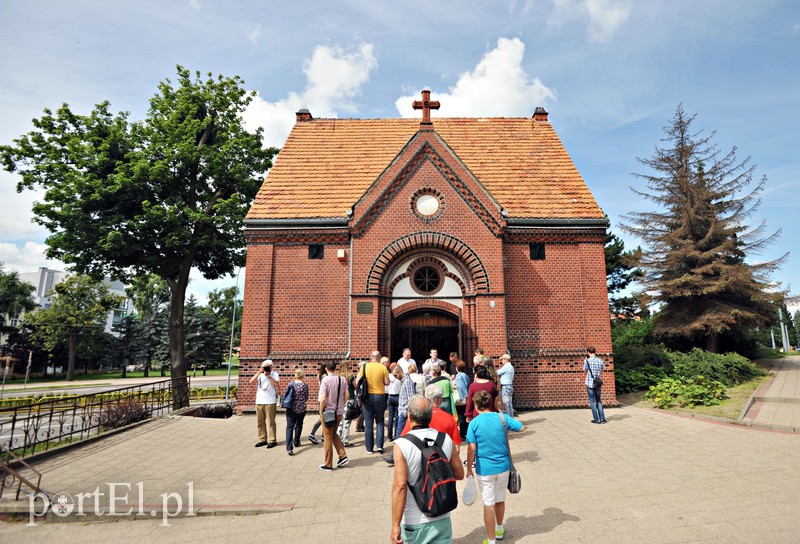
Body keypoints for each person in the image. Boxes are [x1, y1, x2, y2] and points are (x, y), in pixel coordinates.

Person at [390, 395, 465, 544]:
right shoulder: (445, 439)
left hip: (414, 521)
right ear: (430, 417)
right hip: (442, 517)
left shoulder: (401, 445)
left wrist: (395, 525)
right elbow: (459, 474)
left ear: (409, 416)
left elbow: (400, 487)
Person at [466, 390, 525, 544]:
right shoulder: (502, 418)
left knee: (488, 503)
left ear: (477, 406)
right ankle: (499, 529)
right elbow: (521, 428)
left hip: (485, 469)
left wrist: (468, 469)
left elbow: (471, 448)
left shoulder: (474, 423)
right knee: (500, 499)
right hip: (503, 466)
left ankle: (491, 540)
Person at [384, 383, 461, 466]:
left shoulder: (416, 416)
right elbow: (456, 448)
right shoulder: (450, 418)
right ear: (441, 400)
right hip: (443, 466)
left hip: (420, 464)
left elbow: (403, 439)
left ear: (425, 398)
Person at [318, 361, 349, 472]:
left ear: (326, 369)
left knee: (327, 438)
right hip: (339, 411)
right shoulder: (342, 379)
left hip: (328, 412)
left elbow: (323, 398)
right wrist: (341, 404)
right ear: (335, 368)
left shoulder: (325, 380)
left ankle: (328, 464)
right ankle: (342, 455)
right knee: (333, 433)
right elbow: (347, 395)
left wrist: (321, 411)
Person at [357, 350, 390, 454]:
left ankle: (369, 448)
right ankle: (380, 445)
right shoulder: (383, 367)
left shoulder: (364, 367)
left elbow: (358, 381)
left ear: (371, 357)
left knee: (369, 422)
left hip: (367, 397)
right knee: (380, 421)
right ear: (379, 357)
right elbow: (387, 382)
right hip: (379, 396)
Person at [249, 359, 279, 448]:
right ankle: (262, 439)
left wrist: (269, 376)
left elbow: (277, 384)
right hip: (259, 401)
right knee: (260, 422)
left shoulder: (274, 374)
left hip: (270, 401)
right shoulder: (260, 375)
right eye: (264, 367)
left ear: (271, 367)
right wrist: (259, 372)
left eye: (267, 367)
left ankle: (272, 440)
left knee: (271, 422)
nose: (265, 369)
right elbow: (251, 382)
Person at [584, 347, 607, 424]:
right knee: (599, 400)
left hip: (589, 382)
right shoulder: (600, 361)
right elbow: (601, 371)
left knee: (592, 400)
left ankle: (596, 419)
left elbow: (585, 371)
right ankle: (602, 419)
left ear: (588, 352)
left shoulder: (587, 361)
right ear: (594, 352)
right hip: (598, 382)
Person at [337, 360, 356, 446]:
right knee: (347, 420)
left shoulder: (337, 377)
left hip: (340, 400)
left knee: (341, 419)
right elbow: (355, 386)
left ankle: (337, 437)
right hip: (350, 399)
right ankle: (345, 440)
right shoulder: (350, 376)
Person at [308, 363, 327, 444]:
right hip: (323, 398)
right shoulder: (325, 377)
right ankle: (312, 434)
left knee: (324, 417)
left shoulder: (320, 375)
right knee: (322, 418)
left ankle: (323, 436)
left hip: (320, 397)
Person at [454, 360, 471, 440]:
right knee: (466, 415)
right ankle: (467, 432)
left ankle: (462, 434)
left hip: (461, 398)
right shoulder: (466, 375)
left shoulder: (458, 376)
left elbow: (460, 387)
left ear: (457, 368)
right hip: (467, 397)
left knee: (461, 417)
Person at [387, 365, 404, 441]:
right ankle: (397, 434)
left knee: (390, 417)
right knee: (397, 417)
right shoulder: (399, 378)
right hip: (397, 396)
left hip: (390, 396)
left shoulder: (389, 376)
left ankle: (389, 436)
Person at [496, 354, 515, 418]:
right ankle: (511, 419)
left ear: (505, 359)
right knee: (509, 404)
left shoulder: (506, 366)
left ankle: (509, 419)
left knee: (506, 404)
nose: (502, 361)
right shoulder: (510, 366)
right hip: (508, 386)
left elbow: (497, 372)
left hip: (506, 386)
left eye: (502, 359)